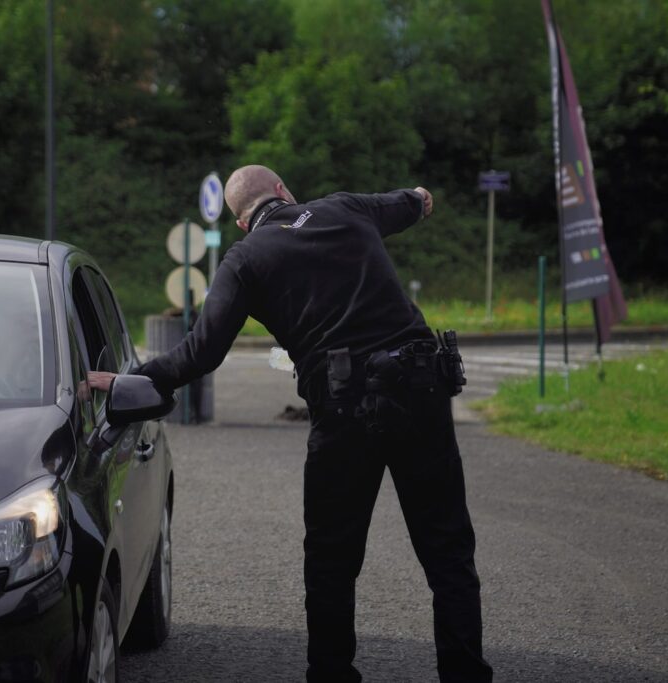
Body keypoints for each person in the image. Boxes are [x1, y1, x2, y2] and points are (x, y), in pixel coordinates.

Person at [89, 165, 492, 682]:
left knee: (331, 559)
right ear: (283, 190)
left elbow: (199, 353)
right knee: (448, 551)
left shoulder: (245, 259)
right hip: (420, 390)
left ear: (241, 221)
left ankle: (331, 675)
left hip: (345, 411)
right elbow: (414, 201)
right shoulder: (346, 207)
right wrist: (418, 196)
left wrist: (134, 380)